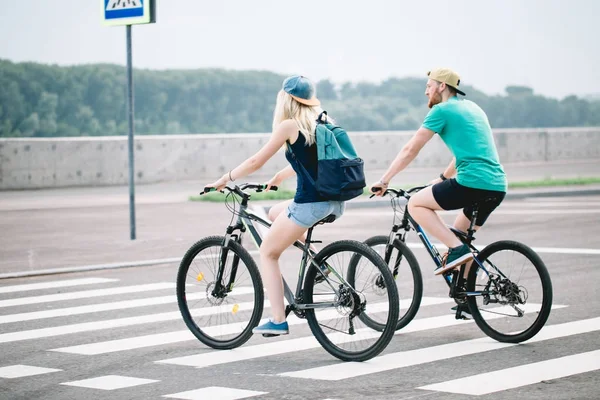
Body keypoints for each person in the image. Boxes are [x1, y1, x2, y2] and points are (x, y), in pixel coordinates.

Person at [205, 75, 345, 336]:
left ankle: (278, 319)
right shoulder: (320, 123)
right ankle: (319, 263)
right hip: (333, 201)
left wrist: (225, 179)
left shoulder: (289, 126)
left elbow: (256, 161)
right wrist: (280, 177)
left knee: (268, 251)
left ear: (287, 99)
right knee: (274, 212)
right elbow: (313, 162)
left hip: (310, 203)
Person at [370, 68, 507, 318]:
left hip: (472, 182)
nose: (426, 90)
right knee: (458, 235)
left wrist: (385, 179)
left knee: (415, 205)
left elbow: (411, 148)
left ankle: (457, 250)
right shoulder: (473, 108)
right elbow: (467, 151)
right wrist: (443, 178)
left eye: (429, 85)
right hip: (496, 186)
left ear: (442, 86)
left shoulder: (441, 111)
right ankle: (466, 299)